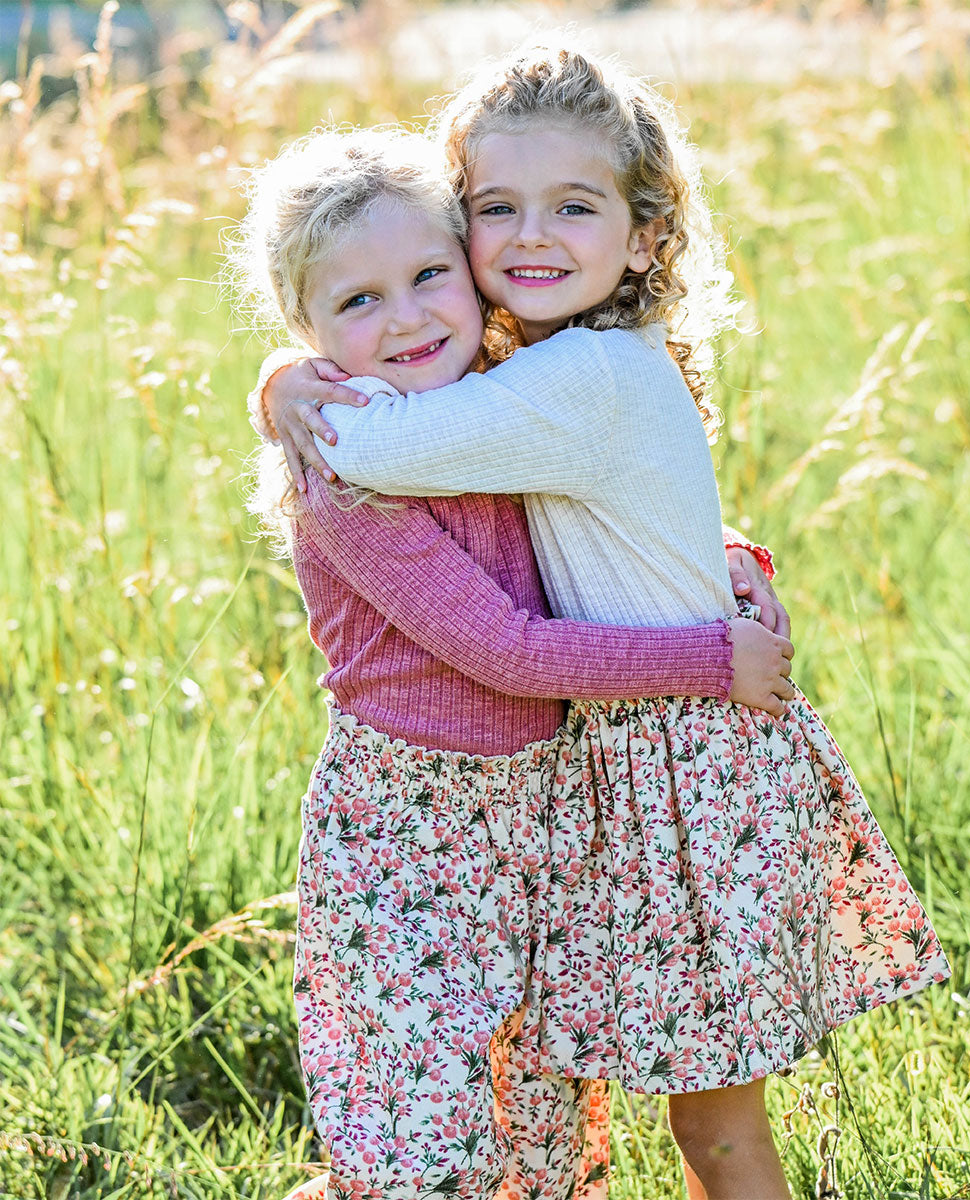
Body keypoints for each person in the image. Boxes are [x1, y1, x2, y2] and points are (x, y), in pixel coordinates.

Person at [228, 127, 800, 1200]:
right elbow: (507, 651)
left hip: (546, 815)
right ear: (305, 331)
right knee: (422, 1135)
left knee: (534, 1128)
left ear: (467, 267)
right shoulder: (347, 476)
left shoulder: (497, 379)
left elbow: (605, 506)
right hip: (410, 830)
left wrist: (721, 555)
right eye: (358, 303)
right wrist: (710, 661)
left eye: (428, 275)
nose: (404, 317)